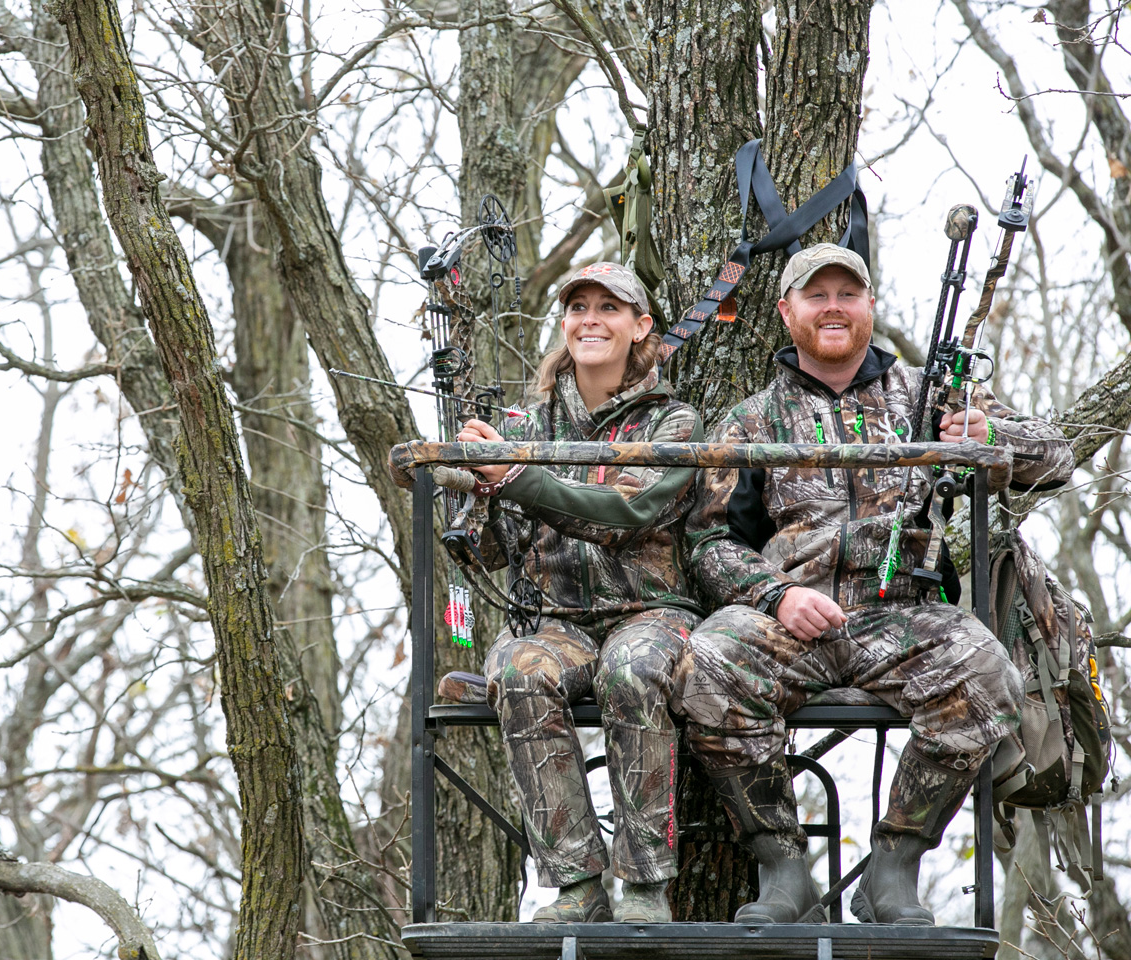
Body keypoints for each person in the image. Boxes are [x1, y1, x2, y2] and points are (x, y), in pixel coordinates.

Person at [678, 243, 1073, 925]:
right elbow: (708, 542)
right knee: (709, 660)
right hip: (790, 620)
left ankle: (894, 864)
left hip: (902, 617)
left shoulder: (930, 397)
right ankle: (781, 867)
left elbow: (1057, 458)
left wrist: (988, 437)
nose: (833, 308)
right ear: (786, 311)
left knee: (984, 668)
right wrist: (777, 596)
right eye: (816, 295)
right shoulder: (750, 420)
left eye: (847, 294)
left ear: (869, 306)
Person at [455, 262, 704, 923]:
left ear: (640, 325)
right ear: (564, 325)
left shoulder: (673, 423)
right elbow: (489, 550)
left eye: (609, 308)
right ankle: (576, 885)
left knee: (633, 669)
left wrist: (517, 477)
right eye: (578, 308)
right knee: (517, 668)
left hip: (650, 615)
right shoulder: (524, 426)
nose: (590, 319)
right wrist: (478, 488)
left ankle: (646, 884)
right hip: (554, 621)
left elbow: (624, 515)